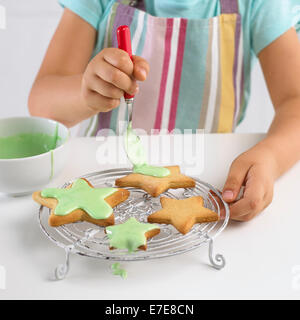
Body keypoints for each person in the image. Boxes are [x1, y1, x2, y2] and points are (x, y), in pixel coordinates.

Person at [28, 0, 300, 221]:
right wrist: (86, 93)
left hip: (207, 182)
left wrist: (271, 157)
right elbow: (41, 103)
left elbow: (294, 100)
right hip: (103, 177)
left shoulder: (260, 5)